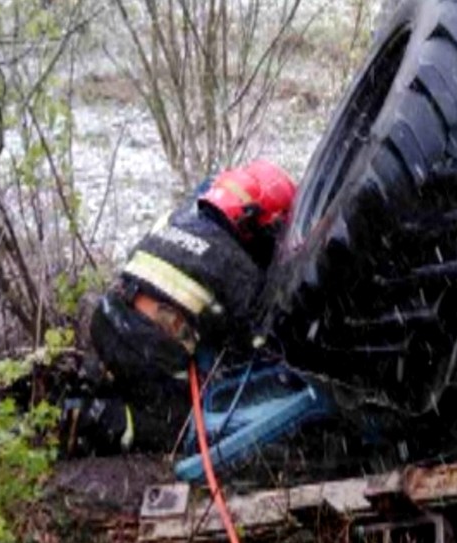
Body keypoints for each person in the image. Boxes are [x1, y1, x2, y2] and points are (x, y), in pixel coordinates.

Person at [60, 161, 296, 457]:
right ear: (256, 225)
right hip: (142, 347)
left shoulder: (175, 219)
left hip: (106, 316)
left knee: (126, 372)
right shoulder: (235, 265)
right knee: (185, 428)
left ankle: (87, 385)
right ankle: (98, 422)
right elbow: (255, 340)